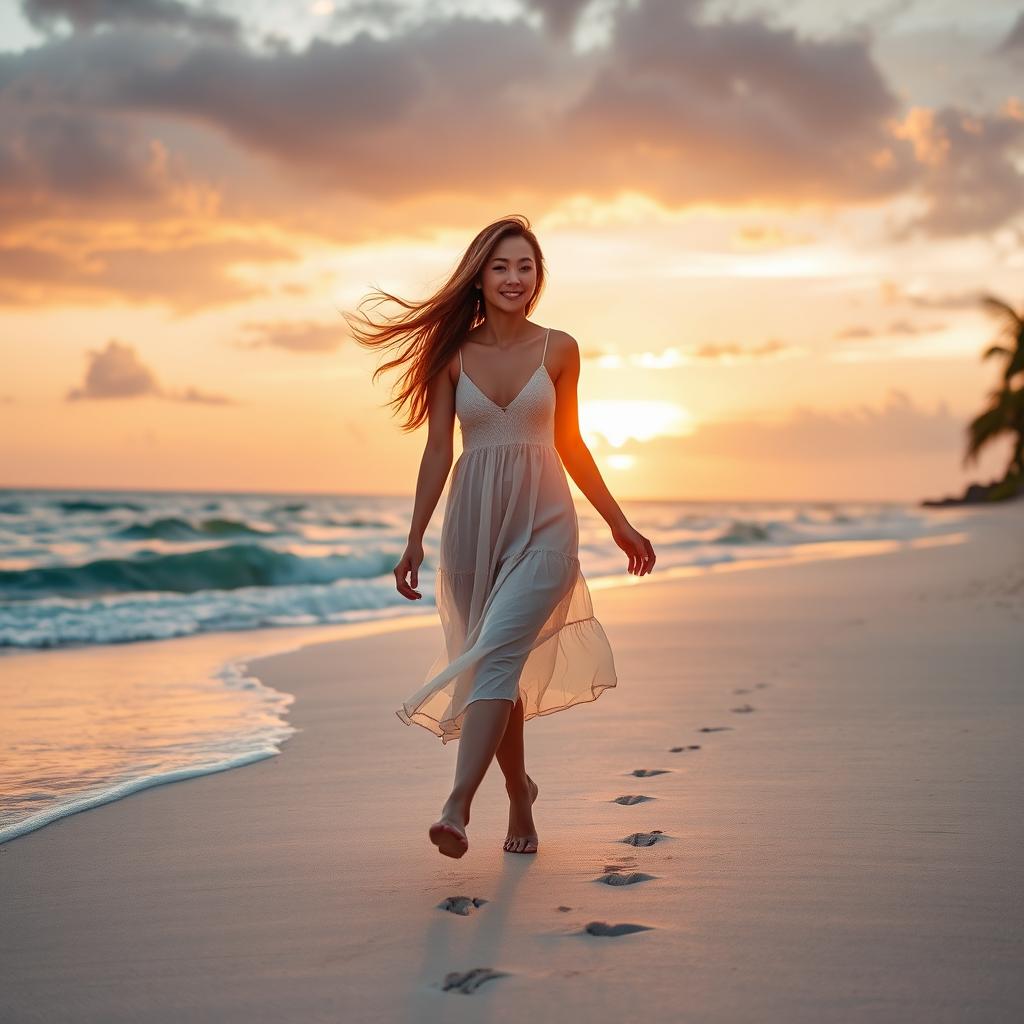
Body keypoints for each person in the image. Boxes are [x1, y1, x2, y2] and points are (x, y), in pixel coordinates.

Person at [347, 215, 656, 860]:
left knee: (495, 652)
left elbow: (570, 441)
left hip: (545, 522)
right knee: (500, 663)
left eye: (526, 267)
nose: (515, 279)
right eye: (501, 267)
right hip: (472, 526)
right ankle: (518, 791)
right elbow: (437, 451)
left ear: (538, 278)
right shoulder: (453, 355)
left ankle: (456, 807)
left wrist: (618, 522)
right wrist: (413, 542)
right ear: (479, 278)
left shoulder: (561, 348)